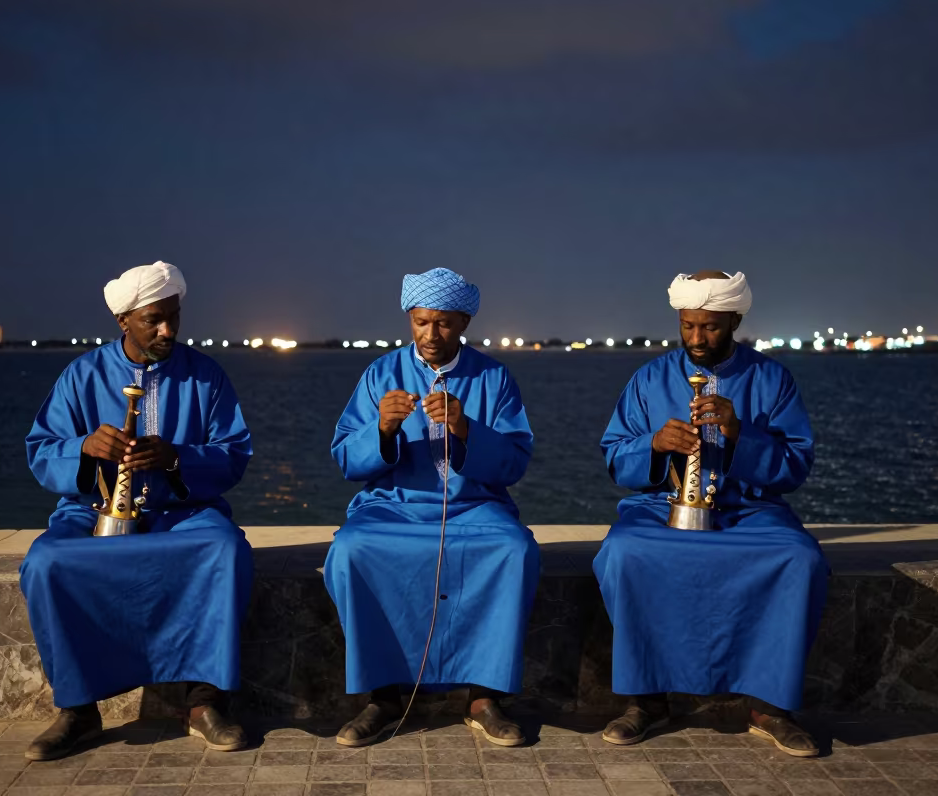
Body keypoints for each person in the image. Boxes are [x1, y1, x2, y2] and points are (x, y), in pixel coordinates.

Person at [20, 261, 253, 759]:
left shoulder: (205, 376)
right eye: (154, 320)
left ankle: (205, 703)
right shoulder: (82, 375)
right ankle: (78, 711)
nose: (168, 329)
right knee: (45, 563)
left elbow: (234, 454)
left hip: (183, 510)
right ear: (123, 321)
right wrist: (85, 447)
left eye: (174, 316)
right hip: (94, 510)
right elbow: (41, 450)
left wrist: (176, 458)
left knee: (225, 549)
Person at [593, 270, 827, 758]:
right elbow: (616, 457)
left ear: (735, 319)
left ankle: (769, 707)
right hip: (661, 507)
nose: (697, 338)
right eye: (688, 325)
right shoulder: (649, 379)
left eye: (711, 327)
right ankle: (647, 702)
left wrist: (741, 432)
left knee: (798, 558)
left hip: (749, 509)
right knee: (622, 552)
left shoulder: (772, 379)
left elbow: (795, 466)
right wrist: (654, 445)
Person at [324, 267, 538, 748]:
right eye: (421, 322)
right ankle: (382, 696)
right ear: (409, 319)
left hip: (474, 508)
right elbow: (344, 458)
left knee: (513, 550)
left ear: (463, 322)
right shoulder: (380, 373)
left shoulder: (494, 377)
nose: (430, 334)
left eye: (442, 323)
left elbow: (515, 460)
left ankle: (484, 698)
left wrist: (466, 430)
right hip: (393, 506)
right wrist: (380, 429)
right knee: (352, 550)